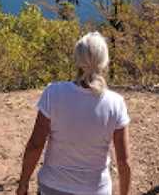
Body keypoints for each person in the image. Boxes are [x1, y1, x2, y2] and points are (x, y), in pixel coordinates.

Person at [16, 32, 131, 195]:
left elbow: (36, 145)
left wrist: (23, 183)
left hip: (52, 188)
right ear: (104, 62)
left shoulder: (53, 93)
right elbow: (123, 161)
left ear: (77, 60)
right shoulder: (115, 103)